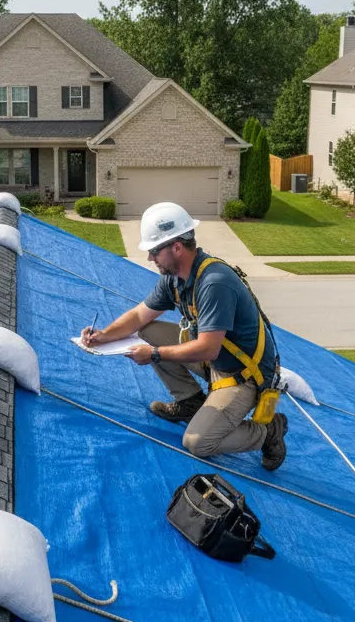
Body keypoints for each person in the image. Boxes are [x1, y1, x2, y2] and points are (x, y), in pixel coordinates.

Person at [81, 201, 287, 470]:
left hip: (243, 375)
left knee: (197, 442)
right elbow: (139, 316)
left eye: (154, 251)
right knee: (149, 332)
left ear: (176, 247)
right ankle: (191, 402)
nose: (150, 258)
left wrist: (154, 355)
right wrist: (104, 335)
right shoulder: (175, 276)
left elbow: (207, 349)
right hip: (216, 358)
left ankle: (268, 432)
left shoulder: (214, 283)